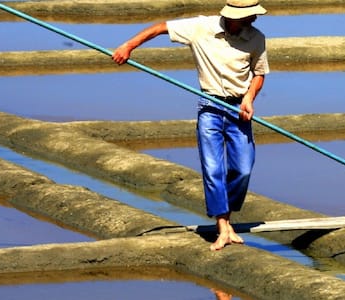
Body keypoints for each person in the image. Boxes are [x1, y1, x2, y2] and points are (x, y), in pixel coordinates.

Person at [112, 0, 269, 251]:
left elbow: (259, 73)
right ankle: (223, 226)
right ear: (233, 17)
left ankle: (226, 218)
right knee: (213, 169)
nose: (254, 19)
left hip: (239, 108)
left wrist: (249, 98)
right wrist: (129, 46)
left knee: (243, 168)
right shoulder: (201, 27)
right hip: (210, 106)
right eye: (249, 16)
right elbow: (161, 27)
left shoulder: (256, 38)